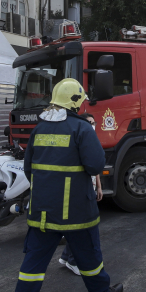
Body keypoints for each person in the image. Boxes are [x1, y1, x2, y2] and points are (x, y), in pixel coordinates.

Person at [7, 79, 123, 292]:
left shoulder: (39, 129)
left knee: (31, 268)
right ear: (75, 102)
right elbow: (95, 166)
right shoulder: (81, 128)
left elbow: (28, 169)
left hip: (43, 213)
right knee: (90, 259)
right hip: (77, 212)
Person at [57, 112, 103, 276]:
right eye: (89, 122)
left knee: (79, 226)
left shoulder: (92, 138)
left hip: (90, 188)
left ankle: (65, 257)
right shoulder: (80, 140)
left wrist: (99, 186)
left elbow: (95, 167)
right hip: (81, 190)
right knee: (83, 227)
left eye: (93, 122)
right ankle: (73, 261)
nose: (92, 125)